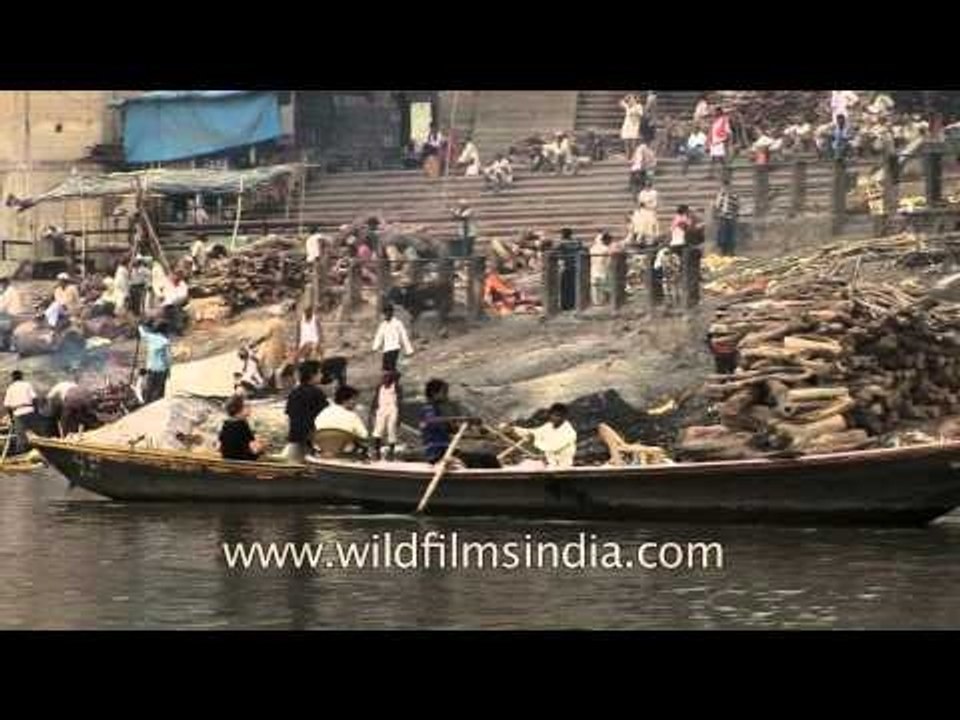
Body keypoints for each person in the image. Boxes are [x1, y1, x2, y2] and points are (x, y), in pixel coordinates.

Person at [283, 360, 328, 462]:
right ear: (313, 375)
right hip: (311, 440)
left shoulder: (294, 393)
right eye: (320, 372)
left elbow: (289, 416)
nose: (322, 375)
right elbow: (325, 416)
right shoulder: (317, 393)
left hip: (294, 438)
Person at [508, 403, 577, 469]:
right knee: (524, 465)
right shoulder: (548, 426)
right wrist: (513, 429)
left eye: (558, 416)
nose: (554, 418)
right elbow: (533, 432)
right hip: (548, 465)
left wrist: (533, 440)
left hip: (562, 467)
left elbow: (552, 447)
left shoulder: (569, 432)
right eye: (552, 415)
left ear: (564, 417)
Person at [315, 385, 369, 453]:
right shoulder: (352, 416)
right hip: (344, 450)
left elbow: (316, 428)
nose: (355, 402)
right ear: (345, 400)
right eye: (354, 399)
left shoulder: (324, 412)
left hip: (322, 449)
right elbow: (364, 435)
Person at [218, 394, 265, 461]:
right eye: (247, 406)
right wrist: (261, 446)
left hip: (229, 462)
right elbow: (253, 450)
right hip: (244, 464)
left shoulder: (226, 424)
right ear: (237, 408)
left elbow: (222, 447)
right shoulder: (242, 424)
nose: (250, 408)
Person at [369, 370, 402, 461]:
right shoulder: (380, 387)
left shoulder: (396, 387)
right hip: (381, 409)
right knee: (378, 429)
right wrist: (372, 410)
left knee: (391, 429)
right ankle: (376, 451)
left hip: (392, 409)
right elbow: (376, 397)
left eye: (387, 377)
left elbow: (399, 401)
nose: (384, 379)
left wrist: (399, 415)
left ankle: (391, 451)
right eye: (383, 377)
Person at [419, 378, 453, 464]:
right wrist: (450, 421)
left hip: (443, 447)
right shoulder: (428, 409)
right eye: (444, 392)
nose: (446, 396)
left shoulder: (436, 409)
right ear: (434, 393)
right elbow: (432, 421)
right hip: (436, 450)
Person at [372, 303, 414, 372]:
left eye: (389, 312)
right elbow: (379, 337)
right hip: (386, 350)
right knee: (386, 369)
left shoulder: (397, 323)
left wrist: (409, 350)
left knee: (392, 368)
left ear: (392, 312)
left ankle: (393, 381)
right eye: (386, 312)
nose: (387, 314)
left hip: (395, 349)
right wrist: (375, 347)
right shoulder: (383, 325)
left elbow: (404, 337)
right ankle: (390, 381)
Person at [4, 370, 37, 454]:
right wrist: (36, 411)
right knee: (33, 434)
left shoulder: (10, 388)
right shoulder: (27, 385)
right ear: (21, 377)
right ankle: (35, 451)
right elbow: (34, 398)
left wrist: (11, 418)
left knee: (21, 437)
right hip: (30, 411)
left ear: (13, 378)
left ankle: (23, 454)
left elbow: (7, 405)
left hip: (18, 413)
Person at [138, 321, 171, 404]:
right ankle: (157, 406)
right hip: (162, 369)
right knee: (159, 390)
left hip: (151, 368)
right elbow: (167, 358)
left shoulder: (150, 337)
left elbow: (142, 334)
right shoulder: (165, 341)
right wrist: (168, 370)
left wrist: (139, 325)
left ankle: (147, 405)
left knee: (149, 389)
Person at [713, 177, 740, 257]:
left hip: (730, 217)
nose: (725, 188)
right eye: (724, 186)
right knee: (722, 236)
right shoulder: (720, 196)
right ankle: (722, 252)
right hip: (722, 217)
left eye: (727, 186)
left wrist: (734, 214)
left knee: (731, 236)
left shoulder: (734, 196)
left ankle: (731, 252)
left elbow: (737, 206)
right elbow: (717, 206)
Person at [558, 228, 581, 311]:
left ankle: (565, 305)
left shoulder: (562, 243)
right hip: (575, 266)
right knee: (572, 287)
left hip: (566, 267)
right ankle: (573, 303)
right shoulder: (576, 242)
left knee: (564, 287)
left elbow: (555, 251)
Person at [0, 277, 25, 351]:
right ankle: (7, 345)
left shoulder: (9, 292)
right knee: (7, 330)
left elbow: (3, 305)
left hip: (11, 314)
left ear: (5, 283)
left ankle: (5, 345)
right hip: (14, 313)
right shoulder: (11, 290)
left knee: (3, 328)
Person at [633, 179, 660, 246]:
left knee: (651, 225)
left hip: (651, 211)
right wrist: (641, 206)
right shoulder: (642, 193)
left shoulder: (654, 193)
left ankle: (651, 240)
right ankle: (640, 239)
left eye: (648, 185)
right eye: (646, 185)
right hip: (643, 211)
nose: (647, 186)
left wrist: (647, 205)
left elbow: (655, 204)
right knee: (641, 224)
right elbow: (640, 202)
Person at [707, 107, 731, 179]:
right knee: (713, 158)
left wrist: (727, 140)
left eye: (715, 112)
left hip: (720, 141)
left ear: (719, 112)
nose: (714, 113)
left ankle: (726, 173)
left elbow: (727, 130)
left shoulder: (724, 120)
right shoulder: (714, 121)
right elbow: (712, 131)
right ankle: (711, 174)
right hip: (714, 142)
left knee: (721, 159)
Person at [589, 231, 611, 306]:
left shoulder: (592, 248)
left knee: (595, 286)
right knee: (603, 285)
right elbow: (608, 261)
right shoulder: (606, 249)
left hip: (594, 269)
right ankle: (602, 301)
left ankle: (596, 302)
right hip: (602, 269)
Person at [620, 95, 643, 159]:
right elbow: (621, 102)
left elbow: (641, 115)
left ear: (635, 100)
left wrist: (635, 110)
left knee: (633, 144)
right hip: (627, 126)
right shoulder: (627, 106)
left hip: (634, 126)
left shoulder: (639, 106)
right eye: (630, 100)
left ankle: (634, 157)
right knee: (626, 142)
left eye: (633, 99)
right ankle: (628, 156)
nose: (631, 101)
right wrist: (626, 97)